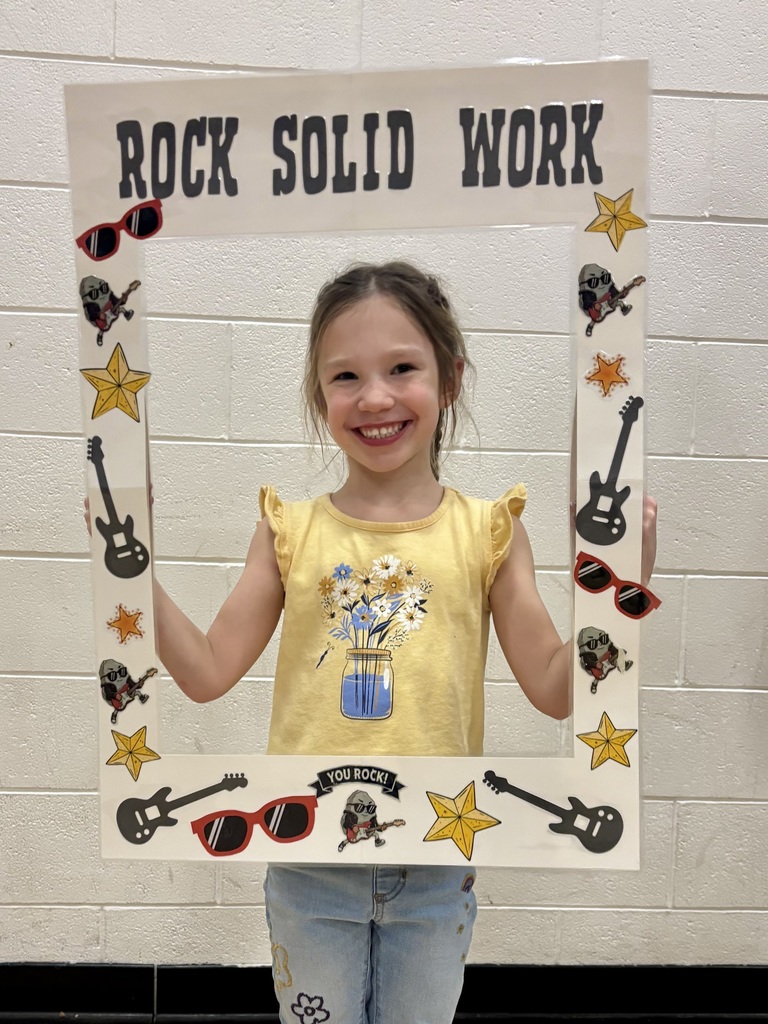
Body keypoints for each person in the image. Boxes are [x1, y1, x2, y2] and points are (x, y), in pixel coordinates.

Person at [86, 260, 657, 1024]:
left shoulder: (489, 531)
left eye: (402, 368)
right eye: (345, 376)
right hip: (309, 861)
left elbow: (556, 688)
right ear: (320, 397)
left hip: (435, 860)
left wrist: (617, 589)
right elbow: (207, 671)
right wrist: (129, 572)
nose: (376, 396)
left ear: (449, 378)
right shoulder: (290, 530)